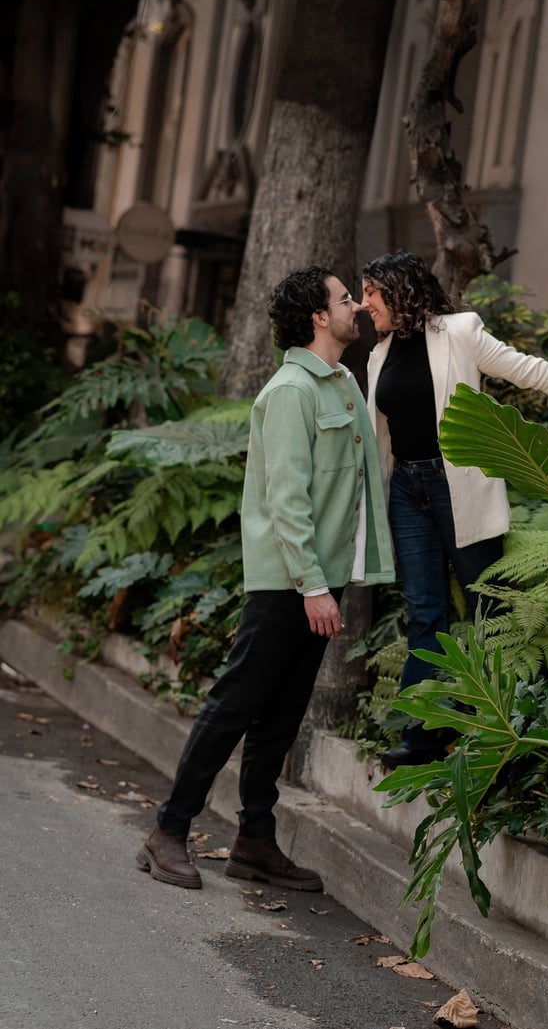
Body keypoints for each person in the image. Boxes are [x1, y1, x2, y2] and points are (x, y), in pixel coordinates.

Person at [137, 266, 394, 890]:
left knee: (280, 715)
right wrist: (310, 585)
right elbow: (287, 497)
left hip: (321, 578)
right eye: (343, 299)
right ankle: (168, 830)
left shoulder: (343, 385)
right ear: (316, 317)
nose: (355, 305)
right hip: (288, 578)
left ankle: (254, 839)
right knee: (235, 704)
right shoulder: (289, 391)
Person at [360, 250, 548, 768]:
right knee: (424, 610)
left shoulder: (459, 333)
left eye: (371, 292)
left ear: (398, 290)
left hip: (454, 485)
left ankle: (492, 725)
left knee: (489, 603)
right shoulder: (380, 353)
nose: (365, 304)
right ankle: (421, 737)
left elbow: (527, 371)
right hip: (406, 492)